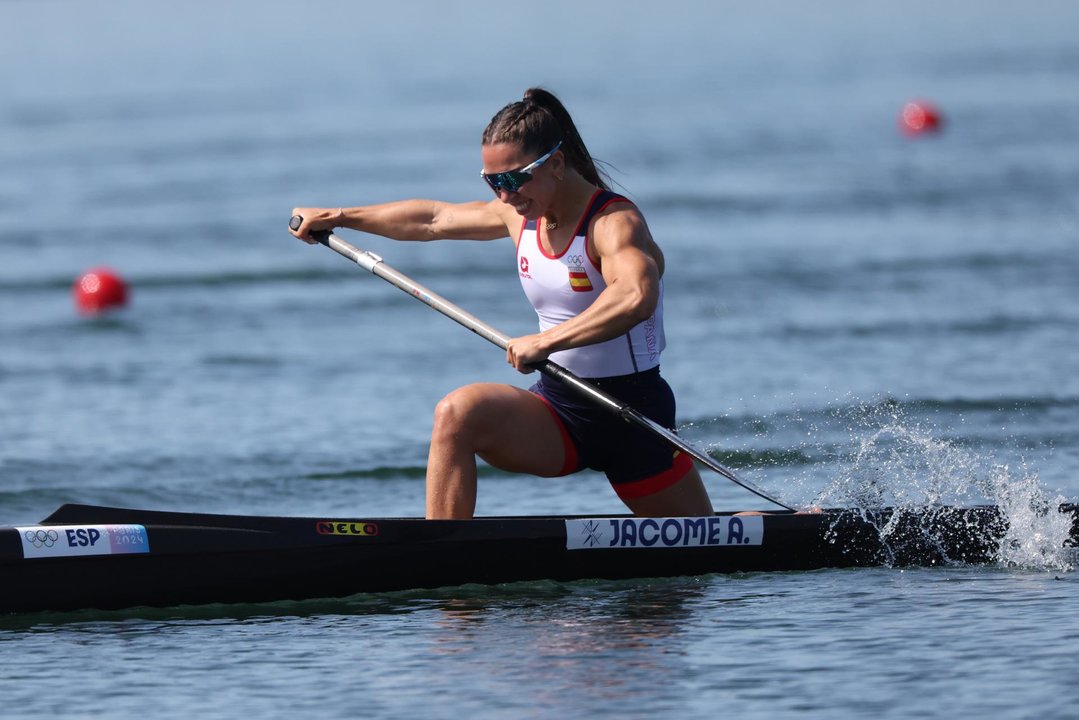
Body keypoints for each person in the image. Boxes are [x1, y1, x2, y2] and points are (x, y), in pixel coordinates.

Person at [289, 87, 714, 520]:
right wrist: (340, 216)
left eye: (512, 179)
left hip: (632, 415)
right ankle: (444, 552)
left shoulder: (613, 223)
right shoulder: (519, 214)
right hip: (561, 410)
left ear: (557, 164)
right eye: (493, 182)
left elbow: (636, 297)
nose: (505, 196)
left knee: (701, 548)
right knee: (458, 414)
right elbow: (433, 219)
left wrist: (547, 342)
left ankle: (779, 529)